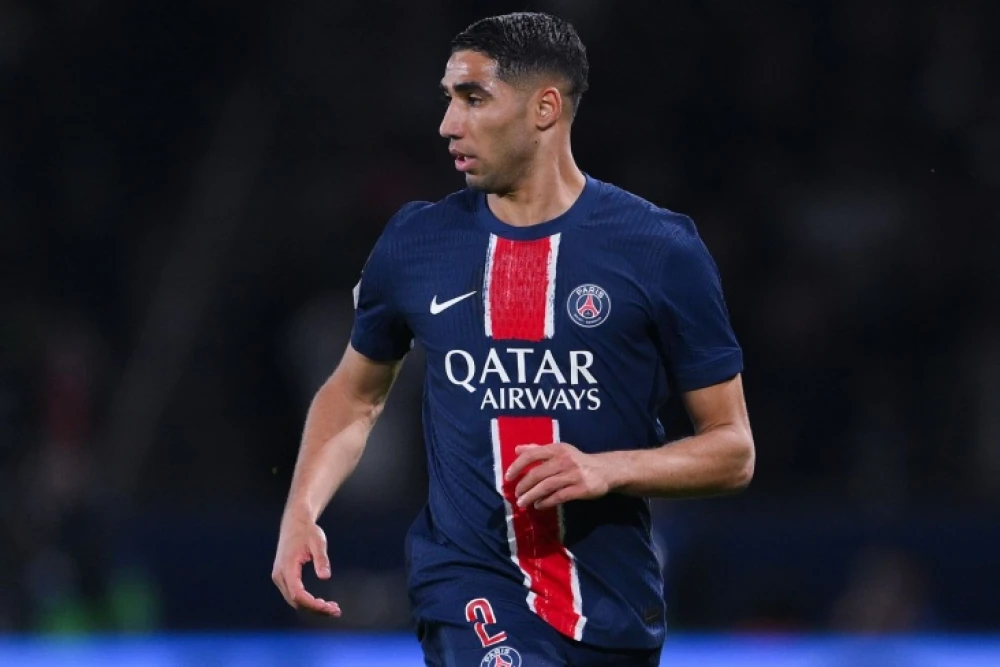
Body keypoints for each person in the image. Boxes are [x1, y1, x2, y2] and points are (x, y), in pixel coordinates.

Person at [271, 11, 754, 667]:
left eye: (473, 98)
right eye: (449, 98)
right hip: (468, 583)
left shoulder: (660, 249)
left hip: (613, 605)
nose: (448, 123)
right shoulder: (416, 242)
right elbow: (356, 396)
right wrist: (302, 509)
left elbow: (732, 450)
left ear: (545, 108)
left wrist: (606, 468)